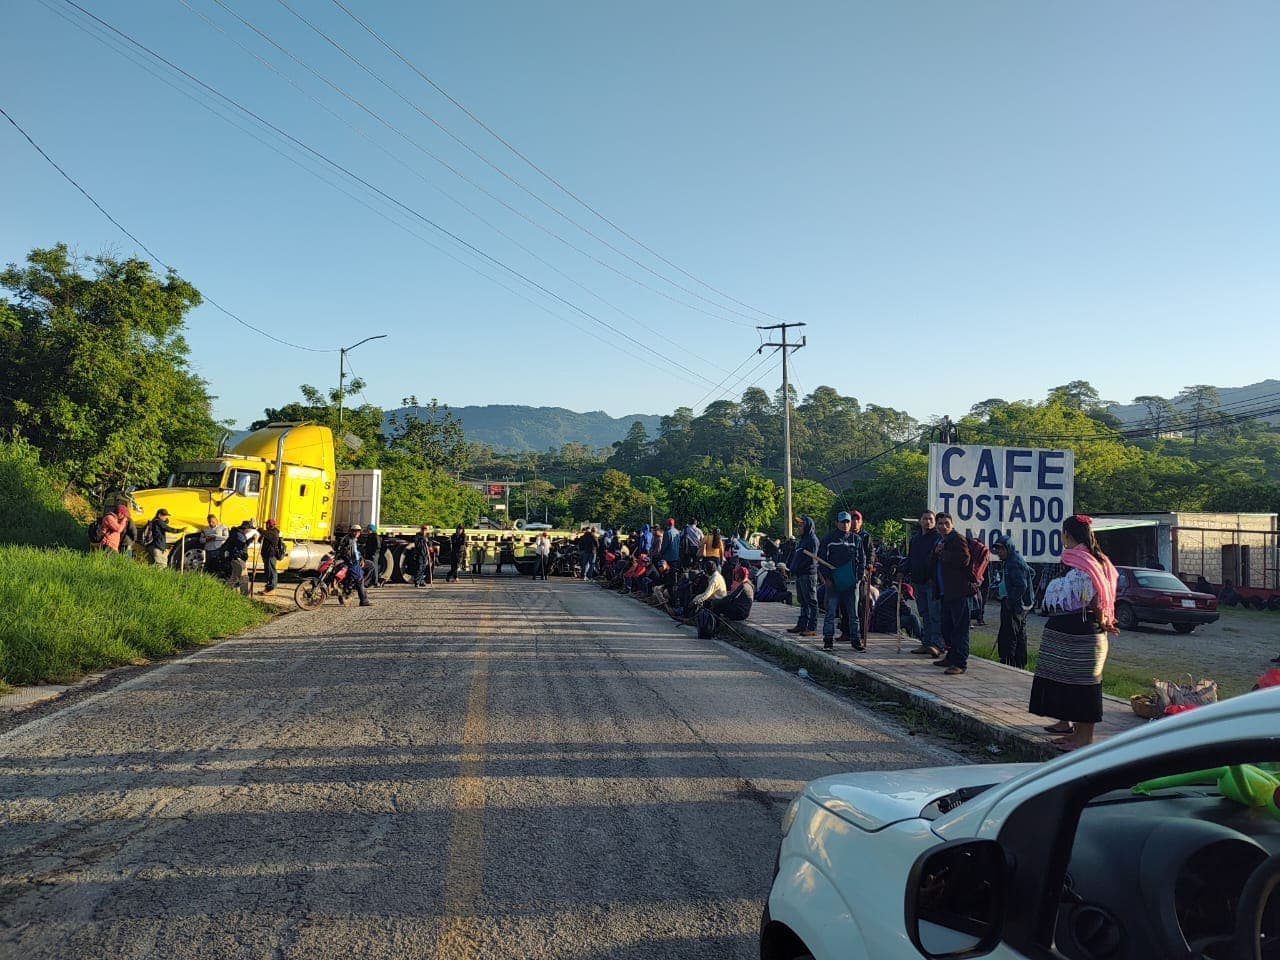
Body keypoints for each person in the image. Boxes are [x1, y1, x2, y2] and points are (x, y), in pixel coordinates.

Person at [1031, 514, 1118, 751]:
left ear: (1067, 535)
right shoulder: (1090, 560)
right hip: (1072, 629)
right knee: (1069, 684)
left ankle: (1084, 739)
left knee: (1084, 686)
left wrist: (1103, 619)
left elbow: (1095, 598)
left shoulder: (1087, 562)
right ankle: (1075, 734)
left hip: (1082, 630)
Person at [819, 511, 866, 651]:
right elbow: (822, 560)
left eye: (847, 521)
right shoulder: (829, 539)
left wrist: (857, 578)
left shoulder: (856, 539)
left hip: (851, 583)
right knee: (831, 613)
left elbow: (861, 560)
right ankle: (828, 640)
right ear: (837, 523)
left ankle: (855, 640)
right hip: (833, 583)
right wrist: (827, 578)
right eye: (842, 522)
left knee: (853, 614)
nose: (845, 524)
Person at [931, 512, 971, 675]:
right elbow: (932, 562)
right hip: (944, 592)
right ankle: (951, 656)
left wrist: (943, 553)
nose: (943, 526)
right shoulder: (940, 540)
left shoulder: (957, 539)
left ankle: (960, 662)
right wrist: (936, 552)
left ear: (952, 524)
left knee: (959, 629)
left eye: (946, 523)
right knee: (946, 627)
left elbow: (964, 560)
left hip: (958, 592)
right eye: (940, 523)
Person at [991, 535, 1033, 668]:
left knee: (1009, 634)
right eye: (997, 550)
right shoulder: (1011, 560)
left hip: (1014, 604)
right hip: (1017, 603)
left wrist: (1011, 599)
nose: (999, 552)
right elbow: (1030, 573)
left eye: (1002, 549)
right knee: (1018, 634)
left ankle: (1008, 662)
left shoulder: (1013, 562)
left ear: (1008, 548)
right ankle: (1018, 663)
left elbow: (1022, 585)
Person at [907, 510, 943, 656]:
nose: (927, 521)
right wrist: (903, 571)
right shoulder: (915, 539)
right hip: (917, 581)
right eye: (925, 519)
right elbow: (910, 558)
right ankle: (926, 643)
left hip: (932, 583)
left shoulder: (938, 538)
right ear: (920, 521)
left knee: (935, 614)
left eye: (930, 519)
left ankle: (937, 644)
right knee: (924, 613)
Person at [786, 514, 820, 638]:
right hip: (800, 575)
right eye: (798, 525)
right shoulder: (803, 540)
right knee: (803, 601)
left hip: (808, 575)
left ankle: (812, 627)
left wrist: (799, 567)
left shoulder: (812, 540)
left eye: (801, 525)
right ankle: (802, 624)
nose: (799, 528)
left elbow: (812, 560)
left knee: (811, 601)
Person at [335, 523, 372, 606]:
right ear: (351, 532)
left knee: (371, 566)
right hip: (352, 562)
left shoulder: (353, 539)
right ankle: (364, 601)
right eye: (354, 531)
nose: (356, 533)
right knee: (359, 579)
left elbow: (356, 552)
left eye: (358, 532)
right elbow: (348, 553)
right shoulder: (349, 540)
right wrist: (355, 561)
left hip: (356, 561)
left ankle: (361, 585)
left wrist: (362, 559)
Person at [224, 519, 257, 593]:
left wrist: (251, 539)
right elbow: (242, 546)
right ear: (246, 528)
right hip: (238, 557)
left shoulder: (237, 533)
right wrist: (252, 538)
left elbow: (244, 544)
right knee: (244, 576)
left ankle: (226, 591)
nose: (250, 531)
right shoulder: (239, 535)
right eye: (250, 529)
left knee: (235, 576)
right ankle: (244, 593)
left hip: (234, 557)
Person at [258, 519, 286, 594]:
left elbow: (264, 532)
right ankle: (268, 588)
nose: (265, 525)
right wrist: (260, 537)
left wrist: (259, 529)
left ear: (270, 525)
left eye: (267, 524)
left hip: (271, 556)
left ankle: (272, 589)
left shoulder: (274, 533)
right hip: (266, 555)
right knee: (268, 572)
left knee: (272, 572)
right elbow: (260, 539)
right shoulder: (268, 533)